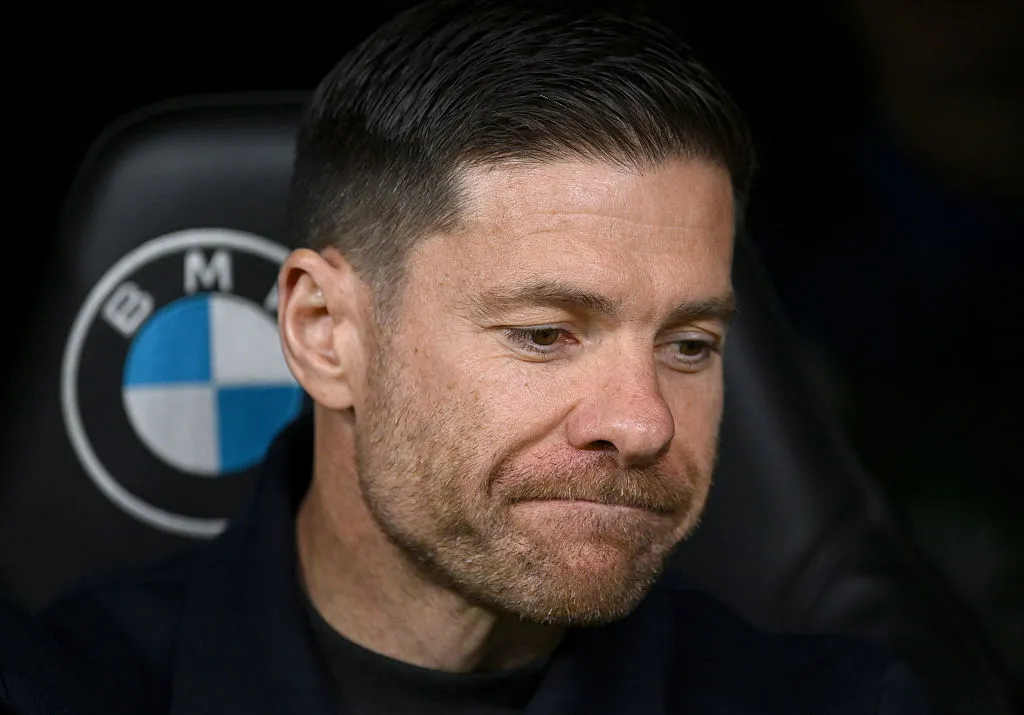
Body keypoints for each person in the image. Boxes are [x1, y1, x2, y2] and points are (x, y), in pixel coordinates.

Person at [24, 1, 935, 712]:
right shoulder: (56, 691)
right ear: (323, 332)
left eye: (689, 344)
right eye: (545, 333)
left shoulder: (841, 704)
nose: (644, 420)